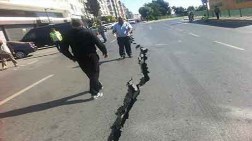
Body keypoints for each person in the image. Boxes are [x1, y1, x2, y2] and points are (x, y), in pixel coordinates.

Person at [61, 19, 108, 99]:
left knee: (90, 73)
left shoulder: (67, 34)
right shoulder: (88, 32)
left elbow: (63, 49)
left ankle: (98, 85)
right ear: (82, 24)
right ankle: (94, 92)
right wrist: (104, 51)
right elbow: (98, 42)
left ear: (72, 25)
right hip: (91, 56)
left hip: (79, 58)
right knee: (95, 73)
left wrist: (71, 57)